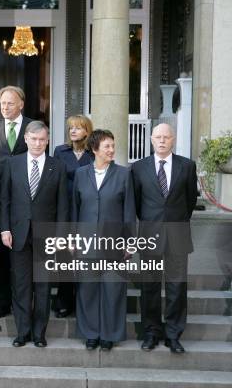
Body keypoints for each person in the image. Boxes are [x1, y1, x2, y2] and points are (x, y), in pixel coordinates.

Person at [131, 123, 198, 354]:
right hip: (150, 235)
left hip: (178, 235)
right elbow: (137, 204)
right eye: (158, 137)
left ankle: (173, 335)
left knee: (176, 286)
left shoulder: (187, 166)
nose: (162, 141)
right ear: (151, 139)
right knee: (149, 286)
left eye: (166, 137)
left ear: (173, 140)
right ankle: (151, 332)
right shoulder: (138, 168)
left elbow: (189, 202)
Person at [0, 121, 68, 348]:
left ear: (47, 141)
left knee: (43, 286)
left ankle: (39, 333)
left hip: (47, 235)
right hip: (17, 233)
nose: (38, 143)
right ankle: (23, 332)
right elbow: (5, 199)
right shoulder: (12, 164)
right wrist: (5, 228)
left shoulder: (57, 166)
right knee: (21, 285)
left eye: (42, 139)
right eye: (34, 139)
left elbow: (62, 205)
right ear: (26, 139)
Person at [72, 129, 136, 351]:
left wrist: (130, 241)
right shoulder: (80, 174)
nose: (111, 150)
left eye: (112, 145)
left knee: (112, 289)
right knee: (88, 289)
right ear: (94, 149)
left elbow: (129, 210)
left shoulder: (123, 174)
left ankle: (109, 334)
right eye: (107, 146)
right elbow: (74, 208)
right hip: (86, 242)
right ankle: (91, 333)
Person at [0, 85, 34, 319]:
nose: (5, 107)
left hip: (25, 198)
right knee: (3, 255)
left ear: (21, 104)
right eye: (2, 103)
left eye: (10, 103)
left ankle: (24, 302)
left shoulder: (32, 127)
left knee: (25, 255)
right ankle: (1, 303)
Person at [52, 115, 94, 318]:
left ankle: (83, 302)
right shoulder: (60, 151)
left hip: (87, 210)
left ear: (87, 130)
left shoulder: (93, 153)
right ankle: (63, 300)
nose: (73, 131)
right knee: (64, 258)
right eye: (70, 128)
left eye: (78, 128)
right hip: (65, 210)